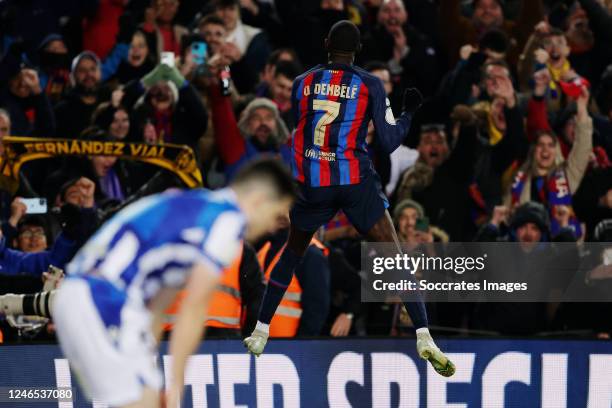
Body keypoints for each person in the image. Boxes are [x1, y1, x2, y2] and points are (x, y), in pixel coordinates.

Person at [243, 20, 455, 377]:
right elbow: (388, 142)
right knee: (395, 255)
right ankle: (424, 334)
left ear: (326, 43)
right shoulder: (369, 84)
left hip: (313, 182)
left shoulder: (301, 83)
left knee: (292, 253)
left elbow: (302, 128)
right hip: (355, 182)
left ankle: (261, 330)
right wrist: (408, 113)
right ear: (358, 52)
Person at [26, 158, 295, 408]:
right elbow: (193, 309)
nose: (274, 227)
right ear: (259, 200)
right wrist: (177, 384)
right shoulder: (226, 220)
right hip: (104, 302)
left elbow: (160, 302)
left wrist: (151, 364)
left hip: (84, 299)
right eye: (277, 215)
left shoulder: (192, 208)